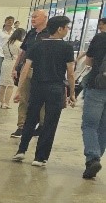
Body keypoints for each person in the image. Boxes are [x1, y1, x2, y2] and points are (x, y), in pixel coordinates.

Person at [13, 15, 75, 168]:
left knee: (31, 118)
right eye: (66, 27)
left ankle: (21, 150)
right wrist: (72, 93)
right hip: (55, 88)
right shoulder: (67, 47)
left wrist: (19, 90)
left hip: (37, 86)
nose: (67, 30)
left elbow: (26, 69)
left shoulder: (37, 45)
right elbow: (70, 73)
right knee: (50, 122)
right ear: (59, 29)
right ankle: (40, 157)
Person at [11, 9, 49, 138]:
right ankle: (21, 126)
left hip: (43, 71)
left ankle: (41, 126)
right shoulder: (31, 33)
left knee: (42, 100)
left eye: (36, 17)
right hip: (27, 69)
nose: (33, 19)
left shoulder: (50, 33)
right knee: (23, 97)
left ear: (44, 18)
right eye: (32, 17)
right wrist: (15, 67)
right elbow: (23, 51)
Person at [78, 16, 106, 180]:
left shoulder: (100, 38)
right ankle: (95, 160)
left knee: (89, 125)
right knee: (103, 127)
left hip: (97, 86)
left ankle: (93, 158)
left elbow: (88, 62)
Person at [0, 27, 25, 109]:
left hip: (5, 62)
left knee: (2, 84)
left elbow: (2, 50)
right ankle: (6, 103)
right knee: (10, 84)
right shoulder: (19, 44)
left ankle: (0, 102)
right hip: (13, 63)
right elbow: (21, 55)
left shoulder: (7, 43)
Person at [0, 16, 15, 94]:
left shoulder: (14, 32)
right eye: (8, 20)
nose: (9, 22)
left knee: (7, 71)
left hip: (9, 54)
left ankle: (6, 86)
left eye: (11, 21)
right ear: (5, 21)